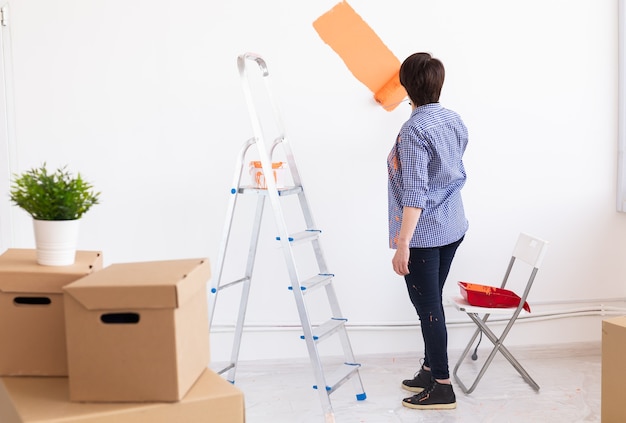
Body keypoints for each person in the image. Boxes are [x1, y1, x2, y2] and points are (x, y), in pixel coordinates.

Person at [387, 52, 469, 410]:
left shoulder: (414, 130)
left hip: (424, 234)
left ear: (407, 86)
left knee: (429, 309)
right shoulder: (452, 119)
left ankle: (442, 385)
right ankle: (427, 367)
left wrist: (402, 243)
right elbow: (449, 168)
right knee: (430, 302)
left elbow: (416, 191)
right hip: (452, 224)